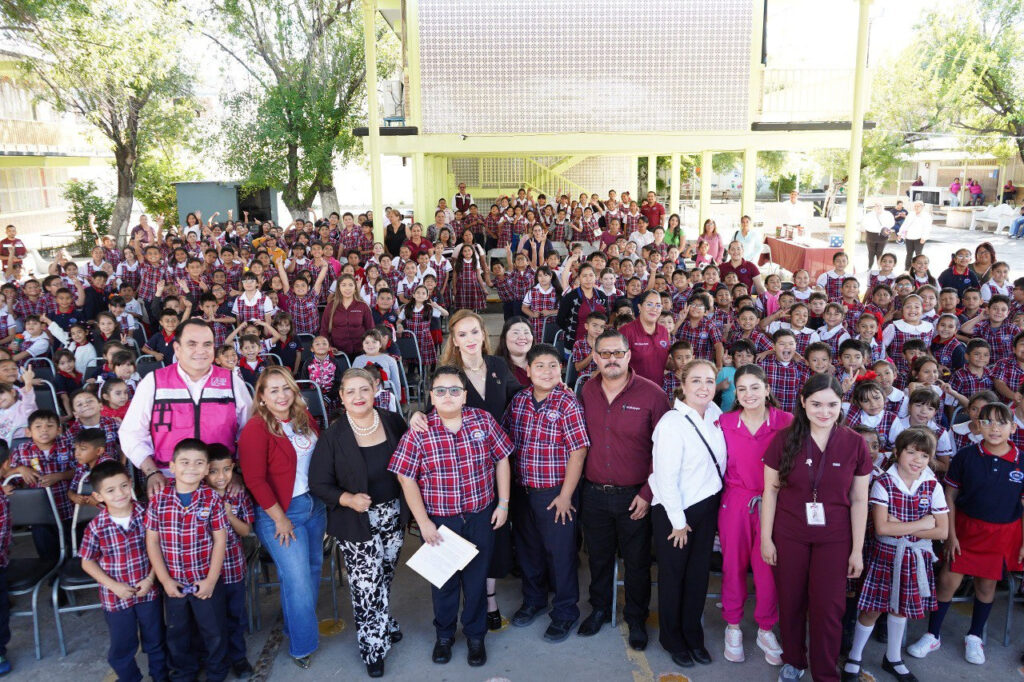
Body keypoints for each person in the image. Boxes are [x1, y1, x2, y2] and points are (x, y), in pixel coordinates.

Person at [389, 366, 513, 668]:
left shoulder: (482, 421)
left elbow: (502, 459)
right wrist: (425, 522)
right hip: (441, 522)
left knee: (475, 581)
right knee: (443, 584)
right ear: (431, 396)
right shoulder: (419, 431)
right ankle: (444, 636)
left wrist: (504, 504)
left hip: (480, 515)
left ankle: (475, 635)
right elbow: (406, 479)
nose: (448, 395)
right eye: (441, 390)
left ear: (465, 395)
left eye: (454, 390)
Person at [760, 373, 872, 682]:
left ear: (842, 404)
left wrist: (857, 550)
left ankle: (825, 672)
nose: (824, 412)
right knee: (791, 600)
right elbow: (770, 490)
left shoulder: (855, 443)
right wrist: (766, 539)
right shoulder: (784, 439)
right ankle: (794, 660)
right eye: (816, 404)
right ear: (802, 403)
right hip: (789, 534)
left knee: (828, 607)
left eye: (832, 405)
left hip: (834, 538)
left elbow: (860, 499)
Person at [308, 368, 410, 678]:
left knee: (385, 575)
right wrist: (348, 499)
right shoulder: (334, 436)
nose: (358, 397)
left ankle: (383, 621)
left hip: (393, 515)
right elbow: (318, 483)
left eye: (364, 389)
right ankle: (373, 647)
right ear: (340, 396)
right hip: (355, 522)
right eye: (350, 391)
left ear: (376, 389)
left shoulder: (392, 421)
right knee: (365, 586)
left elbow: (412, 456)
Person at [908, 402, 1024, 665]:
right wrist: (950, 534)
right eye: (987, 422)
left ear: (1013, 427)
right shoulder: (966, 456)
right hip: (965, 530)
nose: (994, 428)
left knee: (986, 585)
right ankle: (932, 634)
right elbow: (950, 495)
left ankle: (974, 636)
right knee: (948, 580)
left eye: (1001, 422)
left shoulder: (1022, 460)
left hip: (1003, 533)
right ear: (977, 426)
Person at [578, 329, 670, 649]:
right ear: (596, 356)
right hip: (593, 494)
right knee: (599, 558)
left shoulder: (653, 395)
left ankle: (636, 618)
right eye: (605, 353)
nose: (612, 359)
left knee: (637, 562)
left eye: (618, 353)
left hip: (636, 496)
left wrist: (647, 492)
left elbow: (666, 451)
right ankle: (600, 609)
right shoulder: (586, 391)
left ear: (629, 355)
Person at [431, 310, 521, 626]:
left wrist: (551, 389)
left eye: (474, 332)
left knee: (492, 536)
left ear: (484, 334)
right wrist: (416, 416)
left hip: (498, 463)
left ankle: (489, 599)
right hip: (464, 470)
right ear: (454, 340)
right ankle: (456, 611)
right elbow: (434, 410)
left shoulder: (497, 366)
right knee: (460, 538)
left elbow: (518, 395)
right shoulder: (448, 373)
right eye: (463, 334)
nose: (470, 339)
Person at [843, 427, 948, 682]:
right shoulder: (884, 483)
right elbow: (882, 529)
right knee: (872, 609)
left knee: (900, 609)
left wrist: (901, 527)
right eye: (911, 452)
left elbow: (942, 530)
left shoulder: (932, 486)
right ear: (898, 453)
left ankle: (893, 658)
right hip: (886, 556)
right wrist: (923, 524)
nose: (917, 460)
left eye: (924, 456)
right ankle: (854, 656)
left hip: (915, 558)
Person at [237, 367, 326, 669]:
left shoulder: (304, 419)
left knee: (312, 570)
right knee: (298, 581)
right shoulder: (256, 429)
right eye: (273, 390)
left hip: (314, 506)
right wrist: (279, 518)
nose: (281, 395)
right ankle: (302, 646)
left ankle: (294, 628)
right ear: (261, 397)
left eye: (286, 388)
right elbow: (254, 479)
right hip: (282, 511)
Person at [502, 344, 590, 643]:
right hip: (523, 489)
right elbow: (505, 442)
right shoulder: (519, 401)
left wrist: (566, 495)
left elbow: (578, 452)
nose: (547, 371)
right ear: (527, 371)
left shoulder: (567, 402)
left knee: (560, 553)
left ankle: (565, 611)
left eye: (553, 365)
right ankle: (534, 600)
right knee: (528, 549)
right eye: (539, 366)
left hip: (555, 492)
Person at [649, 359, 726, 668]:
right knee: (673, 577)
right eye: (696, 381)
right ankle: (672, 637)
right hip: (674, 512)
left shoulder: (716, 415)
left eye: (709, 381)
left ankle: (693, 634)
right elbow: (664, 476)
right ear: (682, 385)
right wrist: (678, 523)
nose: (703, 387)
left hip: (706, 509)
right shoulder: (671, 422)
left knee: (697, 577)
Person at [119, 319, 252, 497]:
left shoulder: (232, 382)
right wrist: (151, 471)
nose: (201, 351)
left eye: (207, 344)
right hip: (167, 482)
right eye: (192, 344)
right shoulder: (154, 382)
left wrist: (237, 472)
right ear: (177, 349)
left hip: (221, 483)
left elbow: (250, 433)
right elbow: (130, 433)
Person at [719, 365, 792, 666]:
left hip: (773, 503)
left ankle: (765, 628)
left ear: (767, 388)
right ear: (736, 393)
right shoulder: (724, 421)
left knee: (768, 569)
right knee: (732, 566)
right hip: (735, 502)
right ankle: (732, 626)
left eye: (755, 387)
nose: (749, 394)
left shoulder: (785, 421)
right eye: (742, 388)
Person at [144, 439, 229, 682]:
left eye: (198, 463)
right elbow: (152, 542)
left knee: (213, 631)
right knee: (177, 632)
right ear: (171, 466)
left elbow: (220, 541)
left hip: (206, 580)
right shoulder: (159, 501)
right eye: (184, 462)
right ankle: (183, 673)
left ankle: (216, 672)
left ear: (205, 470)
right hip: (174, 584)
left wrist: (211, 580)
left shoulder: (212, 499)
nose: (191, 468)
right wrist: (165, 581)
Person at [79, 460, 166, 682]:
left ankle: (161, 677)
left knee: (156, 639)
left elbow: (160, 550)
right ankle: (129, 678)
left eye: (124, 486)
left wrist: (150, 579)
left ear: (131, 485)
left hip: (148, 591)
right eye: (110, 490)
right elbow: (87, 562)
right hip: (115, 598)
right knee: (123, 645)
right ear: (99, 496)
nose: (119, 493)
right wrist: (114, 586)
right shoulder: (96, 527)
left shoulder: (147, 514)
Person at [206, 445, 255, 679]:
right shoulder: (199, 496)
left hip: (233, 568)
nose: (221, 477)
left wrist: (228, 515)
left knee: (236, 616)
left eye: (226, 469)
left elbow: (246, 531)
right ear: (205, 471)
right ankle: (215, 660)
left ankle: (238, 657)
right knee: (210, 620)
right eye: (214, 471)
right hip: (205, 573)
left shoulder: (237, 495)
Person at [620, 290, 671, 386]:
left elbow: (662, 361)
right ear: (639, 307)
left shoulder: (663, 331)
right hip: (633, 389)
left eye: (658, 305)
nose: (654, 309)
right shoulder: (626, 331)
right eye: (649, 304)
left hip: (658, 389)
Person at [320, 274, 374, 358]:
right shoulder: (331, 306)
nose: (347, 288)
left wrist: (368, 346)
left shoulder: (363, 306)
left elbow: (370, 329)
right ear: (339, 288)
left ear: (355, 288)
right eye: (343, 285)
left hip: (361, 351)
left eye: (351, 285)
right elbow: (324, 330)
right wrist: (328, 346)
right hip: (338, 352)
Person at [897, 201, 931, 271]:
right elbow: (905, 224)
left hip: (919, 238)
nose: (916, 207)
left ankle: (918, 269)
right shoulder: (911, 214)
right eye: (915, 206)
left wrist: (924, 237)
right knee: (909, 254)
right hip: (909, 237)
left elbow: (927, 228)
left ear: (922, 207)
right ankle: (907, 269)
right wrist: (900, 234)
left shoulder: (926, 216)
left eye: (918, 206)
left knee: (918, 255)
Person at [862, 201, 895, 271]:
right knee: (871, 252)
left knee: (880, 252)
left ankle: (879, 267)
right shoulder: (869, 215)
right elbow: (864, 224)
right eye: (877, 205)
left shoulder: (888, 214)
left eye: (880, 205)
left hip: (883, 235)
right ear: (874, 207)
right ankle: (869, 267)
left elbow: (892, 223)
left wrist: (885, 228)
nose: (878, 207)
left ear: (883, 207)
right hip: (871, 235)